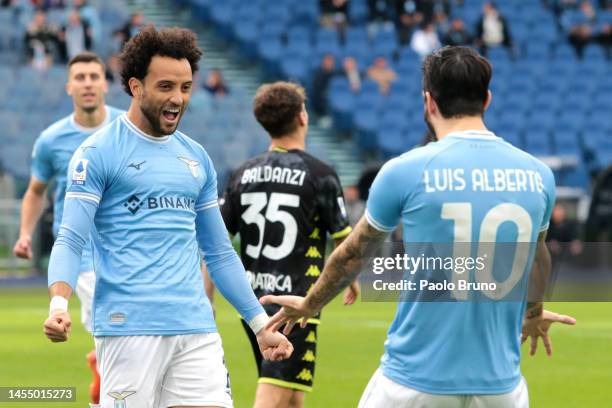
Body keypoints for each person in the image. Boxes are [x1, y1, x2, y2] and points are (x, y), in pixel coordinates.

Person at [261, 46, 576, 407]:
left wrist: (309, 304)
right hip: (501, 388)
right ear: (486, 100)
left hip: (415, 382)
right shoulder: (538, 176)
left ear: (429, 102)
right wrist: (532, 314)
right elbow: (539, 257)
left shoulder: (406, 170)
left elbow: (353, 254)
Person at [42, 26, 292, 408]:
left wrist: (260, 324)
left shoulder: (196, 159)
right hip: (129, 331)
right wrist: (59, 306)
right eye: (165, 87)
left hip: (196, 329)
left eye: (186, 87)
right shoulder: (97, 153)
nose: (178, 98)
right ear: (135, 86)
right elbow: (71, 238)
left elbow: (220, 253)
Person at [209, 81, 359, 408]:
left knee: (290, 396)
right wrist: (352, 277)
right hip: (295, 305)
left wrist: (207, 293)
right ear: (303, 116)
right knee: (273, 392)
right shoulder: (320, 175)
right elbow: (344, 239)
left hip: (251, 303)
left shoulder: (241, 174)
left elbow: (215, 240)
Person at [13, 51, 123, 406]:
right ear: (68, 87)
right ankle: (104, 390)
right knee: (114, 327)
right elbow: (35, 191)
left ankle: (103, 375)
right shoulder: (51, 139)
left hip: (124, 246)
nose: (88, 83)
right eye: (80, 77)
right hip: (79, 251)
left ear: (106, 84)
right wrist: (25, 234)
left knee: (120, 333)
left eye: (94, 76)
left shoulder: (128, 128)